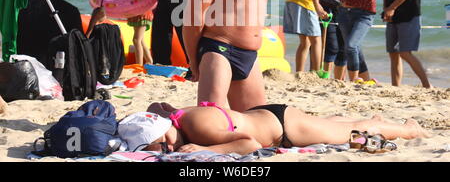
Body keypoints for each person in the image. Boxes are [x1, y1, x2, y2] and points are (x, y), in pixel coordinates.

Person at [136, 101, 430, 155]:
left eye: (164, 144)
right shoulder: (177, 119)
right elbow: (155, 105)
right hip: (269, 116)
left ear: (162, 129)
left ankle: (409, 129)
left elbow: (248, 143)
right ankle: (377, 122)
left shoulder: (197, 129)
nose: (170, 149)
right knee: (335, 127)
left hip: (284, 128)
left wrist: (206, 149)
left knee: (353, 132)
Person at [17, 0, 105, 65]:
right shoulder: (71, 12)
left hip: (22, 64)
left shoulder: (23, 4)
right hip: (54, 70)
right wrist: (94, 21)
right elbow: (80, 47)